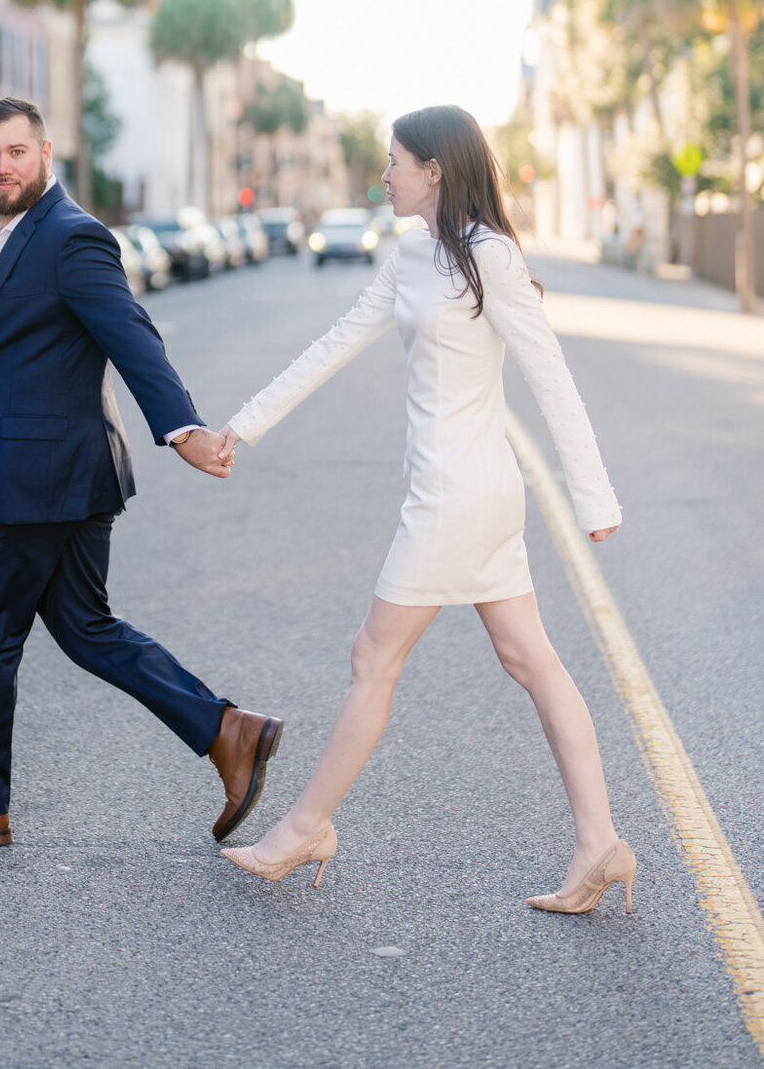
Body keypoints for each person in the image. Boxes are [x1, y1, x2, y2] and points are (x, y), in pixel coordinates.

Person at [214, 105, 635, 915]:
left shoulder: (493, 259)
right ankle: (600, 846)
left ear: (435, 169)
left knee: (374, 658)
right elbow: (335, 343)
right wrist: (245, 426)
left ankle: (305, 826)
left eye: (396, 161)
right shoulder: (413, 255)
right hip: (450, 491)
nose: (385, 174)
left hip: (460, 497)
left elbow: (549, 375)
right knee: (530, 661)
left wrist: (594, 497)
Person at [0, 97, 283, 849]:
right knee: (86, 629)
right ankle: (227, 731)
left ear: (46, 153)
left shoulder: (72, 238)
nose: (2, 167)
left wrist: (184, 430)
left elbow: (131, 337)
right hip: (57, 474)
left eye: (15, 152)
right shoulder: (11, 234)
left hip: (34, 482)